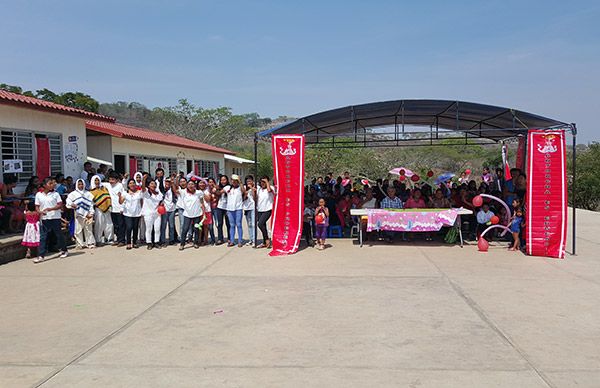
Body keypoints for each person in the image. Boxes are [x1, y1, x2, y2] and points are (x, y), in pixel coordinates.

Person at [34, 177, 68, 263]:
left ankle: (64, 250)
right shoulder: (39, 194)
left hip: (55, 217)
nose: (52, 185)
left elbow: (60, 205)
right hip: (44, 218)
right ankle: (41, 255)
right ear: (45, 185)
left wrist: (51, 209)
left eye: (53, 183)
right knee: (43, 236)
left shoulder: (55, 194)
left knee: (58, 234)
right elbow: (37, 207)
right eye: (50, 183)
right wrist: (40, 212)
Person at [175, 179, 205, 250]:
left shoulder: (199, 192)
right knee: (185, 229)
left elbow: (201, 202)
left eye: (192, 184)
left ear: (195, 185)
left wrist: (203, 212)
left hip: (197, 214)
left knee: (196, 229)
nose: (190, 186)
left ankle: (195, 243)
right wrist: (175, 180)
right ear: (187, 185)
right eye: (189, 184)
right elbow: (176, 189)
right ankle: (182, 244)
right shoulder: (183, 192)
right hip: (187, 214)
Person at [66, 179, 96, 249]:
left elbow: (91, 204)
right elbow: (68, 201)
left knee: (88, 229)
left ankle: (90, 243)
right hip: (78, 214)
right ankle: (80, 244)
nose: (81, 186)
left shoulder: (88, 193)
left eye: (82, 184)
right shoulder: (73, 194)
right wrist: (72, 204)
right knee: (78, 229)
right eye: (79, 184)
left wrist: (91, 213)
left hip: (88, 214)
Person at [89, 175, 113, 246]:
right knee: (99, 224)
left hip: (107, 208)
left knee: (109, 224)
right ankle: (98, 240)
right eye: (95, 180)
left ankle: (109, 238)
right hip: (98, 209)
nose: (97, 182)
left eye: (98, 180)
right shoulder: (91, 192)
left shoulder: (104, 189)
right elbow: (91, 202)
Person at [120, 178, 143, 250]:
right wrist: (119, 196)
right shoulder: (125, 192)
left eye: (133, 183)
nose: (132, 184)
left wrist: (142, 210)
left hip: (137, 213)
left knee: (135, 228)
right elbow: (120, 202)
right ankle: (129, 242)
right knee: (129, 227)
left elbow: (142, 202)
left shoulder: (139, 192)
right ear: (128, 185)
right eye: (130, 183)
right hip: (128, 213)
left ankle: (135, 242)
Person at [224, 174, 246, 247]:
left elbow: (244, 191)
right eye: (233, 180)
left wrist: (240, 182)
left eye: (235, 181)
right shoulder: (228, 188)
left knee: (239, 224)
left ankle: (240, 241)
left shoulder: (240, 188)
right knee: (232, 225)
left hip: (238, 208)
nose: (234, 182)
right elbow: (219, 191)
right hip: (230, 209)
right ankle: (232, 241)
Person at [141, 179, 163, 250]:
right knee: (149, 229)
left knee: (157, 229)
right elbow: (143, 188)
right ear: (148, 185)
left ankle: (156, 242)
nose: (153, 185)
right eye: (151, 184)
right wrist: (143, 180)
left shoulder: (158, 193)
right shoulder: (146, 193)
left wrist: (161, 203)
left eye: (154, 184)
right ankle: (149, 243)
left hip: (157, 213)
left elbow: (161, 199)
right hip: (148, 214)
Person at [106, 172, 126, 246]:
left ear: (117, 180)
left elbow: (123, 197)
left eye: (113, 179)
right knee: (116, 225)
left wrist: (122, 208)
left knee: (121, 225)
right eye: (110, 179)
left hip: (119, 209)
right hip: (112, 209)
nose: (111, 181)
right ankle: (118, 239)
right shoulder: (108, 185)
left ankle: (122, 240)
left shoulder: (120, 186)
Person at [255, 176, 275, 248]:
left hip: (268, 209)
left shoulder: (271, 188)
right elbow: (256, 198)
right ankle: (264, 242)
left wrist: (267, 182)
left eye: (264, 182)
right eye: (261, 182)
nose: (262, 183)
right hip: (260, 209)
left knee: (260, 224)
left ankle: (267, 239)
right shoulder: (259, 189)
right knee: (263, 225)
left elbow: (269, 191)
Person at [159, 177, 177, 246]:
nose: (167, 183)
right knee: (163, 225)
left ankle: (171, 239)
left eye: (169, 182)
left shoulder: (172, 189)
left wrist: (172, 183)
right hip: (164, 210)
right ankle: (162, 240)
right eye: (166, 182)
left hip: (172, 209)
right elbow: (160, 187)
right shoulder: (162, 190)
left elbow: (175, 192)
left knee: (171, 225)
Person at [214, 175, 230, 245]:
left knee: (228, 224)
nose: (223, 181)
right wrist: (216, 188)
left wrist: (216, 189)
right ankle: (220, 238)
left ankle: (230, 238)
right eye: (221, 180)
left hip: (228, 208)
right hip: (219, 207)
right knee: (219, 224)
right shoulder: (219, 187)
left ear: (227, 180)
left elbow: (219, 193)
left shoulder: (228, 187)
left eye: (224, 180)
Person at [243, 176, 256, 246]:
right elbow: (243, 198)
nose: (249, 182)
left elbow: (255, 198)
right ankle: (251, 239)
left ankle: (254, 240)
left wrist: (252, 189)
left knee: (254, 224)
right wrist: (245, 194)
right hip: (246, 207)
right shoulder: (244, 188)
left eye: (250, 181)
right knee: (249, 224)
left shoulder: (255, 188)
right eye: (247, 181)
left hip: (253, 207)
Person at [175, 176, 188, 243]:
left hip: (189, 209)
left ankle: (189, 237)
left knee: (189, 224)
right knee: (182, 224)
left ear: (186, 182)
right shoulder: (179, 189)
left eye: (184, 181)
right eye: (181, 182)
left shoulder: (189, 189)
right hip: (181, 209)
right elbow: (176, 186)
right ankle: (182, 237)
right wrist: (177, 178)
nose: (182, 183)